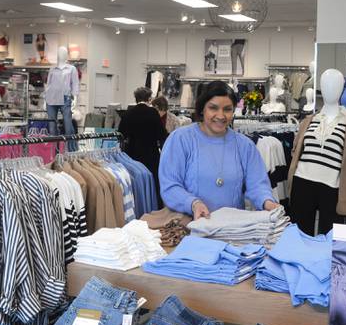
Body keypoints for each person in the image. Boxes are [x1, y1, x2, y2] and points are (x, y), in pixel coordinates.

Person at [159, 81, 279, 220]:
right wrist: (193, 204)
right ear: (202, 109)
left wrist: (267, 202)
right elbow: (170, 186)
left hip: (231, 230)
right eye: (213, 108)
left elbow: (258, 184)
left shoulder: (245, 145)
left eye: (227, 109)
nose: (221, 116)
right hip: (190, 229)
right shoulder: (180, 140)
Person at [118, 87, 168, 199]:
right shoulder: (153, 113)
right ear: (149, 99)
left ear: (136, 98)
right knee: (153, 183)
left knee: (135, 182)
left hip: (132, 155)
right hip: (151, 154)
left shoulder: (128, 113)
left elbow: (121, 135)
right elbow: (161, 134)